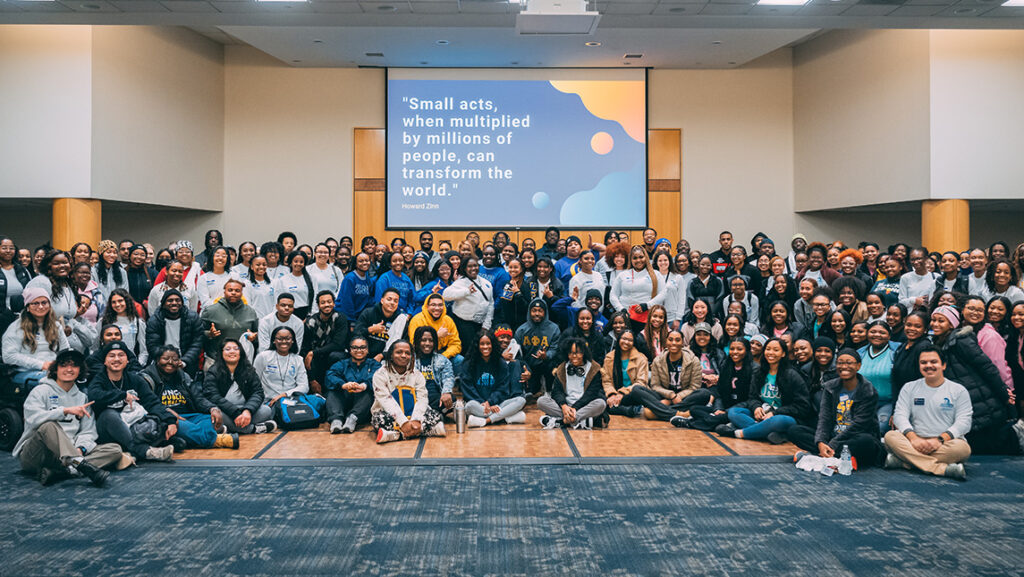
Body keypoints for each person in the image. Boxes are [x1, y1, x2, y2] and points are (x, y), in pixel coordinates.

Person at [12, 349, 126, 486]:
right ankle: (78, 465)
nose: (69, 369)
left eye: (74, 365)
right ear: (55, 369)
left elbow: (88, 432)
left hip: (66, 456)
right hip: (37, 455)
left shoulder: (82, 398)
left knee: (114, 449)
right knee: (49, 426)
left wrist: (81, 448)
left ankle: (65, 471)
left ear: (80, 370)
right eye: (64, 365)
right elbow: (33, 419)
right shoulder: (40, 391)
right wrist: (64, 411)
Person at [929, 305, 1021, 456]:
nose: (935, 324)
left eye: (941, 321)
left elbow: (986, 367)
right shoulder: (939, 342)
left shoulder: (961, 340)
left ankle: (1018, 436)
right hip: (967, 399)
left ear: (951, 324)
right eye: (933, 320)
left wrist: (1004, 393)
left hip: (980, 399)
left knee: (993, 444)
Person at [884, 346, 973, 480]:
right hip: (913, 441)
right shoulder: (909, 387)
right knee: (890, 436)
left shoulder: (958, 390)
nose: (928, 365)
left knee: (962, 449)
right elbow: (900, 416)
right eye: (923, 362)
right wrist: (914, 438)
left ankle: (905, 462)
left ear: (943, 365)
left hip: (945, 443)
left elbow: (964, 422)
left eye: (934, 362)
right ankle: (942, 469)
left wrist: (940, 440)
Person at [787, 349, 885, 468]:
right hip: (833, 435)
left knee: (866, 441)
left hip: (855, 436)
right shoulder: (830, 387)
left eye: (849, 363)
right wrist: (821, 442)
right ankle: (835, 456)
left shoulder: (868, 390)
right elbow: (825, 418)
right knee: (794, 431)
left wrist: (832, 444)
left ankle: (822, 455)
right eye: (840, 363)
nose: (844, 366)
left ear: (858, 366)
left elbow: (860, 425)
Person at [87, 341, 175, 462]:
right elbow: (94, 396)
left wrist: (170, 420)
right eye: (112, 356)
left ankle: (129, 454)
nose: (116, 359)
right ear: (105, 361)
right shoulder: (99, 379)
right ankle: (145, 451)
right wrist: (122, 395)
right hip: (107, 432)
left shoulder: (135, 379)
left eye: (121, 355)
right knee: (109, 414)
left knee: (167, 427)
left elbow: (151, 402)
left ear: (127, 360)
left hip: (133, 425)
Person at [142, 346, 239, 451]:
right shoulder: (146, 378)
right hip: (165, 418)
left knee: (210, 419)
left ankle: (190, 439)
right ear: (157, 360)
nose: (170, 362)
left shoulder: (183, 376)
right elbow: (149, 403)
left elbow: (198, 397)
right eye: (165, 358)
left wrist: (212, 408)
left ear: (179, 361)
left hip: (189, 417)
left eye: (174, 359)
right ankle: (218, 440)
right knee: (179, 426)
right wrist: (167, 413)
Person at [717, 337, 811, 443]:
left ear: (783, 354)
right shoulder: (759, 373)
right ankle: (765, 432)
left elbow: (803, 406)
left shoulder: (792, 375)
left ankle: (738, 433)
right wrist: (756, 407)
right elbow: (752, 398)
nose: (771, 353)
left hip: (784, 416)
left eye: (776, 350)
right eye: (768, 349)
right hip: (763, 414)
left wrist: (775, 413)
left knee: (777, 421)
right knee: (734, 412)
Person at [371, 340, 446, 443]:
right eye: (399, 352)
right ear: (391, 355)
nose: (403, 355)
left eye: (407, 353)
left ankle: (395, 435)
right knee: (378, 419)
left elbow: (422, 398)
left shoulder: (417, 374)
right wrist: (403, 422)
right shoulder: (380, 374)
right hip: (390, 414)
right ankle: (426, 430)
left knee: (435, 415)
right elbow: (386, 400)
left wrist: (416, 419)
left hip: (413, 413)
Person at [200, 339, 276, 435]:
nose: (232, 351)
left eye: (236, 349)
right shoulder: (213, 371)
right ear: (221, 353)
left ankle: (229, 429)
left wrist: (248, 410)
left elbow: (258, 393)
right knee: (216, 416)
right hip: (225, 410)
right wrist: (235, 413)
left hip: (244, 409)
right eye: (228, 349)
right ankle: (254, 429)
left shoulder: (249, 370)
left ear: (241, 352)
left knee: (266, 410)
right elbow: (213, 396)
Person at [2, 287, 70, 386]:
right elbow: (8, 356)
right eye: (35, 303)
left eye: (44, 303)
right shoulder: (16, 328)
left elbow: (65, 351)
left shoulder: (56, 326)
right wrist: (41, 365)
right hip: (24, 372)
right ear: (28, 307)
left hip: (53, 371)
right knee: (52, 381)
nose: (41, 307)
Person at [459, 332, 527, 427]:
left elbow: (503, 388)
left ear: (493, 345)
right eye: (482, 344)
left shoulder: (501, 363)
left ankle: (486, 420)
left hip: (497, 404)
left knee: (521, 400)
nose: (485, 347)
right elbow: (468, 388)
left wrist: (490, 402)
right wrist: (484, 404)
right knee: (469, 406)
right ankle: (504, 417)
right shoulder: (468, 363)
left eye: (488, 343)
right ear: (477, 345)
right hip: (479, 404)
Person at [540, 337, 608, 429]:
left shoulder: (593, 368)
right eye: (571, 353)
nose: (574, 356)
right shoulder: (562, 368)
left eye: (578, 353)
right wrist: (564, 406)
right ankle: (578, 420)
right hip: (565, 407)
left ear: (584, 353)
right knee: (541, 401)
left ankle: (563, 421)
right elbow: (557, 391)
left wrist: (575, 408)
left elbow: (591, 394)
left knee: (601, 403)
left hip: (584, 405)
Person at [647, 330, 706, 423]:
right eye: (670, 340)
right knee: (637, 390)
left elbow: (694, 387)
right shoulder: (657, 361)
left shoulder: (693, 360)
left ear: (682, 342)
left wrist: (676, 398)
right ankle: (680, 414)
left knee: (704, 393)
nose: (673, 343)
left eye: (677, 340)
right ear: (666, 342)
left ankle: (660, 411)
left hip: (684, 397)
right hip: (664, 395)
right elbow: (655, 386)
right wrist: (671, 396)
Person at [324, 335, 380, 434]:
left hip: (362, 405)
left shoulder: (374, 364)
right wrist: (343, 385)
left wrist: (364, 385)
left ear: (367, 350)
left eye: (362, 347)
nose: (359, 350)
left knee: (370, 392)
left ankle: (352, 420)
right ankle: (336, 421)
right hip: (344, 400)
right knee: (332, 392)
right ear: (350, 350)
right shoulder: (342, 364)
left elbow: (377, 377)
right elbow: (330, 375)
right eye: (355, 348)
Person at [253, 326, 309, 418]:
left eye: (288, 338)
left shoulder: (298, 359)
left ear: (293, 341)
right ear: (274, 341)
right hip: (268, 402)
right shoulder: (263, 356)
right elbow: (254, 381)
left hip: (290, 401)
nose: (284, 341)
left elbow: (304, 386)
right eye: (280, 339)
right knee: (267, 412)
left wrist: (284, 394)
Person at [145, 289, 203, 378]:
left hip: (187, 363)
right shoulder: (154, 320)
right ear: (163, 304)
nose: (174, 303)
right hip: (162, 364)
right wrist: (166, 361)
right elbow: (152, 345)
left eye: (178, 300)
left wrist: (184, 361)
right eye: (170, 300)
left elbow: (197, 343)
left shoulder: (193, 318)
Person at [200, 278, 259, 365]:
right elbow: (198, 334)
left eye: (237, 290)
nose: (233, 293)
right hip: (215, 361)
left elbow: (257, 334)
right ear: (224, 292)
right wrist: (209, 334)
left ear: (242, 293)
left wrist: (253, 338)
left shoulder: (250, 312)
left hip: (242, 361)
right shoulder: (210, 311)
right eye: (230, 290)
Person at [302, 290, 350, 392]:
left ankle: (336, 386)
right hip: (317, 358)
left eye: (329, 302)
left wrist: (314, 352)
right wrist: (312, 379)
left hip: (333, 355)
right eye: (323, 303)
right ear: (318, 305)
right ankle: (314, 385)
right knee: (308, 358)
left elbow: (338, 344)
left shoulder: (340, 318)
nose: (326, 305)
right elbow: (305, 348)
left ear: (334, 303)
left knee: (334, 356)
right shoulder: (311, 322)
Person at [609, 246, 664, 333]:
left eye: (641, 257)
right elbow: (613, 295)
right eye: (635, 258)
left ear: (646, 257)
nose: (638, 260)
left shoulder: (656, 274)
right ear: (630, 260)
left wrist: (647, 305)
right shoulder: (622, 275)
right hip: (625, 318)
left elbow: (663, 294)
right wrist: (621, 309)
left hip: (646, 318)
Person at [857, 321, 899, 433]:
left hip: (888, 402)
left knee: (879, 428)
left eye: (882, 332)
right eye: (873, 332)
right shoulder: (860, 353)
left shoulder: (897, 352)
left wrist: (897, 411)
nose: (877, 335)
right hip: (864, 402)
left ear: (889, 336)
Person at [443, 257, 493, 349]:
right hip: (464, 324)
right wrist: (467, 291)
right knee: (468, 350)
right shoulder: (460, 282)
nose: (473, 268)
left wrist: (486, 324)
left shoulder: (487, 283)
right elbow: (446, 295)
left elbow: (490, 304)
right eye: (469, 266)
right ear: (465, 268)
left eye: (475, 265)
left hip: (481, 324)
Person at [514, 298, 561, 396]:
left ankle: (550, 391)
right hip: (529, 365)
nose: (537, 314)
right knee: (531, 393)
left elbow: (555, 348)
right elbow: (517, 353)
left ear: (545, 312)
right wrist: (524, 368)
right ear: (529, 312)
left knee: (552, 365)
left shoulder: (554, 328)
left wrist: (546, 355)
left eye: (540, 311)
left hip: (546, 363)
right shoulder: (521, 330)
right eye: (534, 310)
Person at [410, 326, 456, 420]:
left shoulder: (442, 360)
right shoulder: (410, 359)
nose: (427, 343)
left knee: (452, 399)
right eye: (423, 340)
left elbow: (448, 378)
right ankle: (435, 415)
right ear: (417, 341)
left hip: (436, 398)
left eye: (431, 340)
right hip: (416, 397)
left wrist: (446, 392)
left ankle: (431, 415)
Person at [355, 287, 409, 362]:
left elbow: (403, 344)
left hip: (387, 359)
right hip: (364, 356)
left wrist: (383, 355)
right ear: (382, 300)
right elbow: (356, 334)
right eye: (389, 299)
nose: (392, 303)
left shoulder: (401, 320)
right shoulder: (368, 313)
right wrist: (370, 330)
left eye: (395, 301)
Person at [407, 293, 461, 360]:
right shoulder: (417, 320)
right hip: (422, 353)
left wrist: (444, 357)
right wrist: (436, 336)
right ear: (427, 306)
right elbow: (414, 345)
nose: (437, 308)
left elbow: (456, 344)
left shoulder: (448, 320)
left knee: (459, 359)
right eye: (433, 305)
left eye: (440, 305)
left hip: (442, 353)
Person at [100, 289, 148, 366]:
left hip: (131, 364)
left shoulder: (138, 322)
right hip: (108, 366)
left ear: (127, 301)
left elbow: (144, 350)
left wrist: (137, 366)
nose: (117, 304)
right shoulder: (104, 322)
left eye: (120, 301)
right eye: (113, 302)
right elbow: (95, 347)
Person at [272, 251, 315, 319]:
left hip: (306, 315)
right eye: (295, 261)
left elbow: (315, 298)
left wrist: (309, 316)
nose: (298, 264)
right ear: (291, 262)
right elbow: (277, 299)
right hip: (287, 314)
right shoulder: (283, 280)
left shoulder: (311, 279)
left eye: (301, 262)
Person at [335, 251, 376, 322]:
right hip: (346, 316)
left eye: (367, 260)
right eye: (361, 261)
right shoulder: (350, 278)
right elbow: (347, 302)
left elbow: (368, 301)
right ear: (356, 264)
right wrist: (351, 321)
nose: (364, 263)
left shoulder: (368, 279)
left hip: (359, 317)